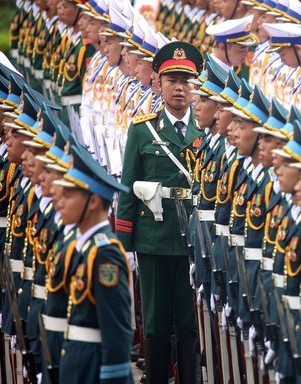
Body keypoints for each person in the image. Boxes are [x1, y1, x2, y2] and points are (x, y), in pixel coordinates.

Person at [116, 41, 204, 384]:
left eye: (186, 80)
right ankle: (155, 378)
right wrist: (125, 242)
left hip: (194, 237)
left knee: (188, 317)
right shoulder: (142, 129)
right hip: (153, 236)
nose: (179, 87)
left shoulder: (206, 129)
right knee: (154, 318)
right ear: (159, 84)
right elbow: (128, 186)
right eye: (172, 80)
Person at [55, 144, 133, 384]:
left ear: (93, 202)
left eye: (68, 195)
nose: (59, 202)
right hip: (79, 365)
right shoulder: (86, 248)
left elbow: (116, 331)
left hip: (92, 370)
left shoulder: (104, 255)